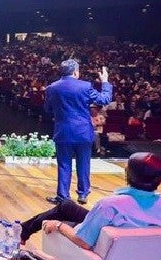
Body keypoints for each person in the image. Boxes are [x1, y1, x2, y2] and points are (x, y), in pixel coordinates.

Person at [19, 152, 161, 250]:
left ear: (128, 174)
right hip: (137, 249)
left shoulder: (109, 205)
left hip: (104, 248)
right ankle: (22, 231)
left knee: (56, 221)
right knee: (66, 206)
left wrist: (58, 225)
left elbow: (83, 242)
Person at [44, 59, 112, 204]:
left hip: (63, 131)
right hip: (83, 131)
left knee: (64, 165)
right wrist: (105, 82)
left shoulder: (51, 88)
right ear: (76, 72)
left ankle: (63, 196)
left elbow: (47, 109)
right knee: (83, 163)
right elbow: (105, 99)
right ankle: (83, 194)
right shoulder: (85, 86)